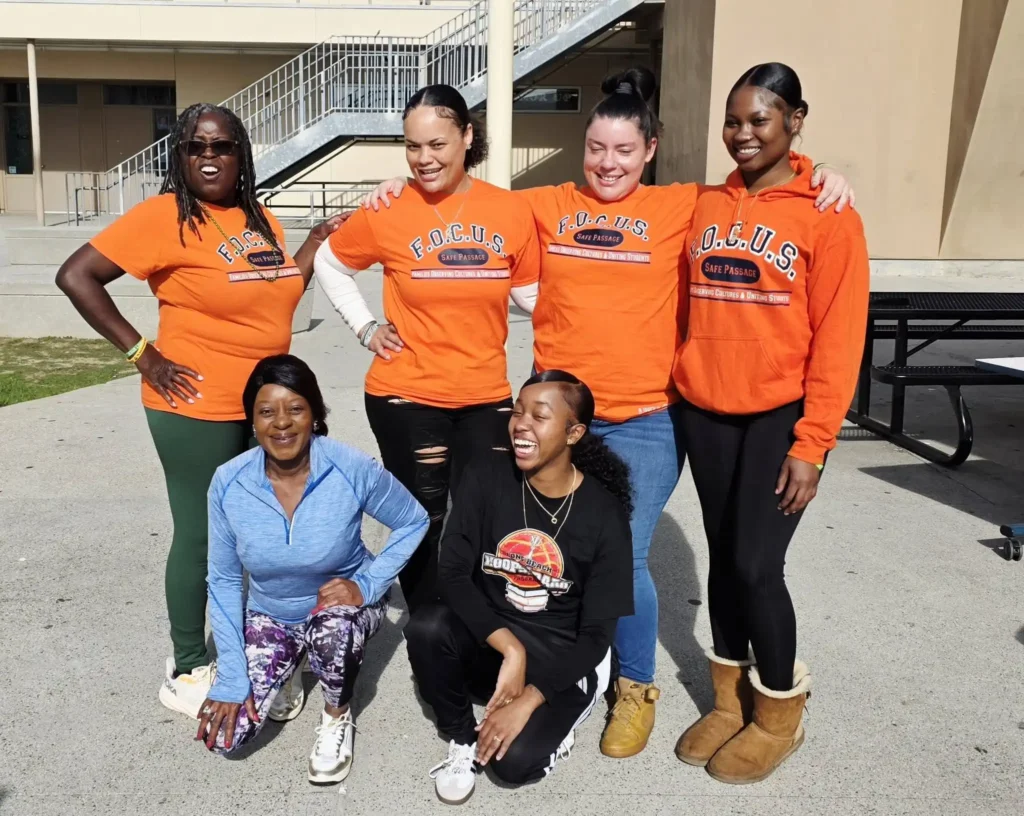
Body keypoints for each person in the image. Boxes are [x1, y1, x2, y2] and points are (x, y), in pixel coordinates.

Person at [361, 66, 855, 758]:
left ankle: (635, 686)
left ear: (649, 150)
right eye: (596, 147)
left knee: (623, 555)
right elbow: (462, 193)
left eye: (624, 150)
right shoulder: (544, 205)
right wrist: (403, 185)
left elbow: (766, 186)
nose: (608, 162)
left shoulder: (687, 205)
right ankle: (548, 662)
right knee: (542, 544)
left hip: (649, 419)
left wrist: (822, 172)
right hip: (555, 417)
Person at [54, 103, 344, 718]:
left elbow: (279, 294)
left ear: (241, 154)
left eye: (221, 146)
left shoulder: (258, 216)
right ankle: (187, 663)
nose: (208, 157)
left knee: (258, 534)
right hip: (194, 403)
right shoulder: (163, 218)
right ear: (179, 156)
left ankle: (254, 650)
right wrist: (143, 353)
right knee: (203, 534)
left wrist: (317, 242)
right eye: (195, 147)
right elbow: (76, 275)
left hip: (265, 408)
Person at [671, 63, 869, 784]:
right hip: (706, 411)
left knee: (758, 565)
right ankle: (729, 702)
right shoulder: (702, 202)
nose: (743, 133)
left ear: (795, 120)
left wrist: (813, 442)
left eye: (760, 119)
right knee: (724, 559)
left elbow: (841, 338)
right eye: (734, 121)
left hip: (779, 415)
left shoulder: (828, 211)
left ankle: (780, 712)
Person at [312, 84, 541, 615]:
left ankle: (471, 615)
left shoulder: (508, 210)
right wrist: (366, 327)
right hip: (405, 395)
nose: (424, 159)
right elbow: (329, 262)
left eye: (437, 144)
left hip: (485, 395)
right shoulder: (389, 206)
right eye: (413, 147)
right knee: (421, 514)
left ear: (466, 136)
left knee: (485, 514)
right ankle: (430, 629)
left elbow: (532, 295)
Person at [196, 355, 428, 785]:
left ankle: (336, 716)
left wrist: (368, 584)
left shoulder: (350, 467)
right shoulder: (228, 481)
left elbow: (413, 520)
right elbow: (225, 579)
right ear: (251, 419)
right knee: (227, 738)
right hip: (272, 614)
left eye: (296, 409)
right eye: (267, 411)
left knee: (332, 630)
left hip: (340, 609)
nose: (281, 423)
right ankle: (289, 668)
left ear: (316, 415)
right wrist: (231, 675)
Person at [405, 371, 633, 804]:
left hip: (563, 652)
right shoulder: (487, 475)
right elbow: (451, 571)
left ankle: (564, 717)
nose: (521, 424)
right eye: (518, 412)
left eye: (539, 416)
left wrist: (531, 698)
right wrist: (511, 648)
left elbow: (597, 636)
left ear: (574, 433)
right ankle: (461, 739)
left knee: (513, 766)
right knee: (426, 628)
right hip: (497, 636)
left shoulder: (604, 515)